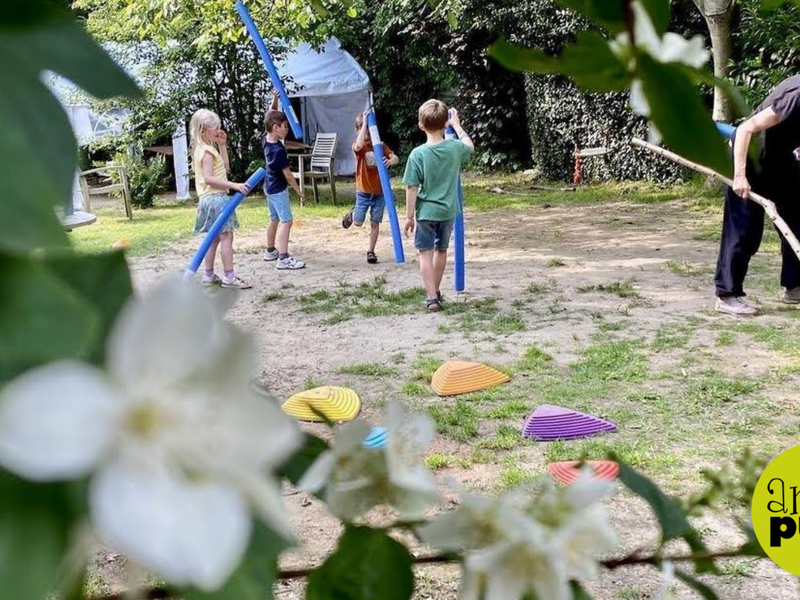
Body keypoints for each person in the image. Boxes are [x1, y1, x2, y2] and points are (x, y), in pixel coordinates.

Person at [715, 75, 800, 317]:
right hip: (750, 154)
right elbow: (745, 128)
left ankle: (794, 286)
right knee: (744, 228)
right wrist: (740, 176)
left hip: (779, 159)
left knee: (796, 217)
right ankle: (727, 295)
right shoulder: (797, 95)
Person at [403, 99, 473, 312]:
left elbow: (411, 187)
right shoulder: (455, 148)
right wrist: (458, 125)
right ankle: (436, 292)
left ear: (421, 125)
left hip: (426, 212)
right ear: (445, 124)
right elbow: (470, 146)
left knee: (424, 252)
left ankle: (431, 296)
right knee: (441, 251)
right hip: (448, 210)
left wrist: (409, 216)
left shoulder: (417, 154)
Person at [189, 108, 252, 289]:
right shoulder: (207, 152)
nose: (218, 131)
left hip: (207, 199)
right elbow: (209, 178)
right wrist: (234, 186)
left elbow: (225, 168)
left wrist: (222, 145)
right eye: (214, 128)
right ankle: (230, 277)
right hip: (216, 199)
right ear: (202, 130)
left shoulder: (204, 149)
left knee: (213, 238)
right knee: (226, 237)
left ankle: (208, 275)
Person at [342, 111, 400, 263]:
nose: (366, 132)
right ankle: (353, 214)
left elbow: (395, 157)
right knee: (358, 222)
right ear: (358, 131)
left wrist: (391, 161)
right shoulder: (359, 148)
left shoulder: (380, 146)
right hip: (363, 192)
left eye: (368, 129)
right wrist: (365, 124)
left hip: (380, 193)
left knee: (375, 223)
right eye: (363, 129)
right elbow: (359, 144)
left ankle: (371, 251)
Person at [262, 110, 306, 270]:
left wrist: (274, 100)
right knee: (286, 221)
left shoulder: (266, 139)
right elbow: (288, 175)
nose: (287, 129)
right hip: (278, 189)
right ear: (275, 128)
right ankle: (283, 257)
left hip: (268, 187)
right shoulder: (279, 151)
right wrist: (299, 191)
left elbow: (269, 115)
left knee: (274, 219)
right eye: (285, 126)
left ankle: (270, 251)